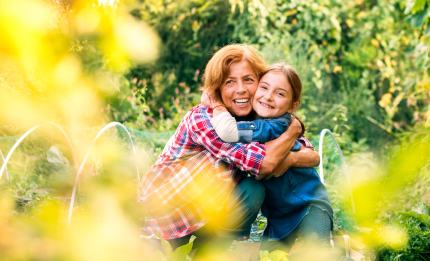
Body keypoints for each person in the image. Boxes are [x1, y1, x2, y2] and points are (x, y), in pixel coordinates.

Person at [137, 45, 320, 250]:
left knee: (252, 190)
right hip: (162, 224)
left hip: (207, 220)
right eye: (229, 82)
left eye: (248, 80)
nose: (240, 89)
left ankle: (209, 256)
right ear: (217, 88)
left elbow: (312, 154)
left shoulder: (257, 120)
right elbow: (265, 163)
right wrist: (292, 131)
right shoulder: (205, 119)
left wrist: (293, 142)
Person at [206, 63, 333, 253]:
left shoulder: (278, 124)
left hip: (309, 206)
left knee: (319, 258)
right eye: (264, 87)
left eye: (280, 94)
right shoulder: (254, 120)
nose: (268, 96)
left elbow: (229, 131)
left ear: (292, 106)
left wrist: (216, 102)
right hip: (279, 217)